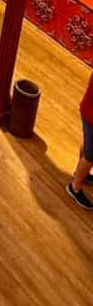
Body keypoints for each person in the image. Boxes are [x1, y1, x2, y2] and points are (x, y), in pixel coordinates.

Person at [67, 69, 93, 211]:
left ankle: (81, 173)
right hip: (91, 116)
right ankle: (74, 187)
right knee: (90, 156)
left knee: (88, 144)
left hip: (87, 110)